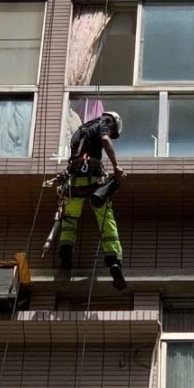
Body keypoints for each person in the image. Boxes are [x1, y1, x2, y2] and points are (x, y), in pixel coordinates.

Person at [59, 111, 127, 290]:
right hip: (94, 182)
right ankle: (114, 261)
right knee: (106, 221)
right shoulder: (102, 124)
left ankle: (66, 254)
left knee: (69, 220)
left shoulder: (79, 132)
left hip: (73, 183)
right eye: (113, 132)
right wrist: (116, 166)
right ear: (112, 122)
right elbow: (105, 140)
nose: (110, 134)